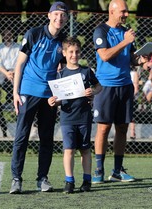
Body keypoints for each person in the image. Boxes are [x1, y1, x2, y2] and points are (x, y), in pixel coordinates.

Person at [9, 1, 69, 194]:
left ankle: (42, 178)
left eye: (63, 15)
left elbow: (66, 69)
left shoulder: (64, 41)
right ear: (49, 15)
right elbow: (19, 64)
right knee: (21, 137)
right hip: (28, 91)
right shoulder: (33, 34)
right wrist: (15, 92)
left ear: (66, 19)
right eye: (56, 14)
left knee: (46, 139)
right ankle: (16, 179)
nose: (59, 18)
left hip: (50, 96)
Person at [92, 0, 147, 184]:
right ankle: (98, 170)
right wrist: (125, 42)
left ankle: (117, 170)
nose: (126, 14)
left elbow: (130, 59)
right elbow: (105, 55)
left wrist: (141, 59)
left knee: (122, 128)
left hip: (125, 85)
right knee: (103, 128)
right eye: (122, 11)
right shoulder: (101, 30)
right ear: (112, 11)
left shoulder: (125, 32)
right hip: (106, 86)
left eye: (126, 11)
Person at [48, 37, 101, 193]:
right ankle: (69, 181)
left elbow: (99, 86)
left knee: (85, 149)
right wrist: (53, 101)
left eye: (77, 51)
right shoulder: (60, 74)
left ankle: (87, 180)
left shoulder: (86, 71)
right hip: (67, 118)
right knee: (69, 150)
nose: (74, 55)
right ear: (64, 53)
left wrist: (93, 91)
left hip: (84, 116)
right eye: (70, 52)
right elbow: (58, 99)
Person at [0, 29, 21, 108]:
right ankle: (10, 100)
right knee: (3, 80)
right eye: (6, 35)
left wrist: (13, 72)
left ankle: (12, 101)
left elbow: (20, 61)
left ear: (12, 35)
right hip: (3, 70)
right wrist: (6, 73)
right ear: (3, 36)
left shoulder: (18, 47)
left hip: (15, 69)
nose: (7, 36)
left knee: (15, 79)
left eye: (9, 34)